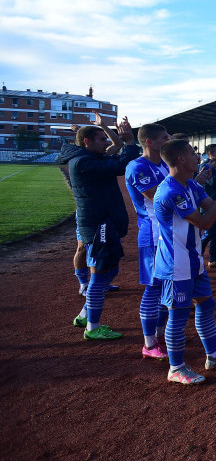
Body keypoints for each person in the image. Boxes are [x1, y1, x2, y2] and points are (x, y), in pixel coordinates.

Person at [154, 139, 216, 385]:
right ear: (181, 160)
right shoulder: (172, 191)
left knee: (206, 305)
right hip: (176, 265)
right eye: (192, 154)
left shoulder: (191, 186)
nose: (198, 158)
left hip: (193, 260)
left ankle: (214, 356)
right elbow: (206, 222)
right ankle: (176, 368)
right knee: (178, 314)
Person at [58, 117, 139, 340]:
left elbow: (116, 155)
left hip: (100, 222)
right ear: (87, 141)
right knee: (103, 273)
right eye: (102, 139)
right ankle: (92, 327)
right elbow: (121, 164)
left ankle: (86, 314)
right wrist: (130, 143)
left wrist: (114, 134)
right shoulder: (83, 162)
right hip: (98, 224)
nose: (106, 142)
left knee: (104, 272)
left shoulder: (85, 157)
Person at [124, 123, 173, 359]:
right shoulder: (137, 167)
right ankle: (149, 343)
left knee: (167, 286)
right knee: (154, 288)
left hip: (168, 233)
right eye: (165, 137)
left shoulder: (164, 164)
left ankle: (159, 335)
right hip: (152, 234)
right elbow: (158, 198)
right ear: (149, 142)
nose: (169, 139)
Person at [199, 144, 216, 269]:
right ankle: (196, 256)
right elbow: (210, 181)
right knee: (209, 232)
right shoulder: (205, 166)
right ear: (210, 153)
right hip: (208, 205)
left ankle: (212, 259)